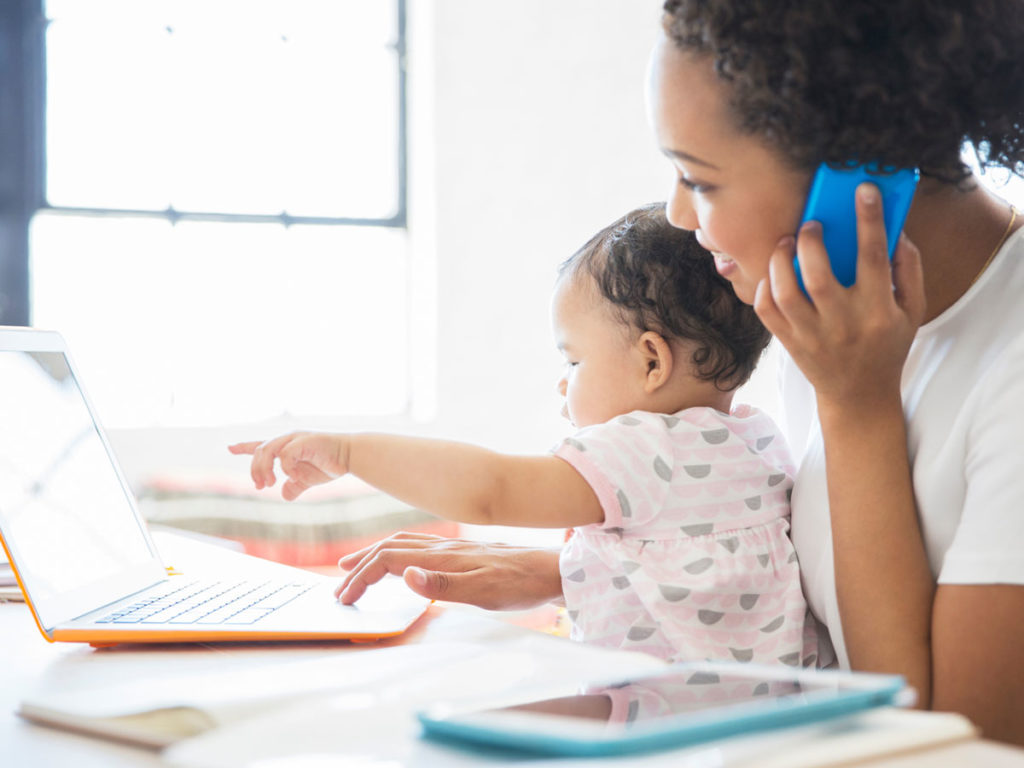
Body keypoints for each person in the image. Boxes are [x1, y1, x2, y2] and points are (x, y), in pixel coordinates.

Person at [325, 1, 1024, 744]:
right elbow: (797, 575)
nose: (681, 214)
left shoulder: (930, 367)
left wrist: (857, 406)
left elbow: (951, 741)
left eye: (701, 179)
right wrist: (567, 573)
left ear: (860, 169)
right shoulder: (822, 315)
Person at [230, 204, 823, 666]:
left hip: (662, 727)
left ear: (651, 362)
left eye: (572, 361)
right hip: (764, 725)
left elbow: (490, 490)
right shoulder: (758, 442)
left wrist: (350, 452)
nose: (562, 387)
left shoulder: (644, 450)